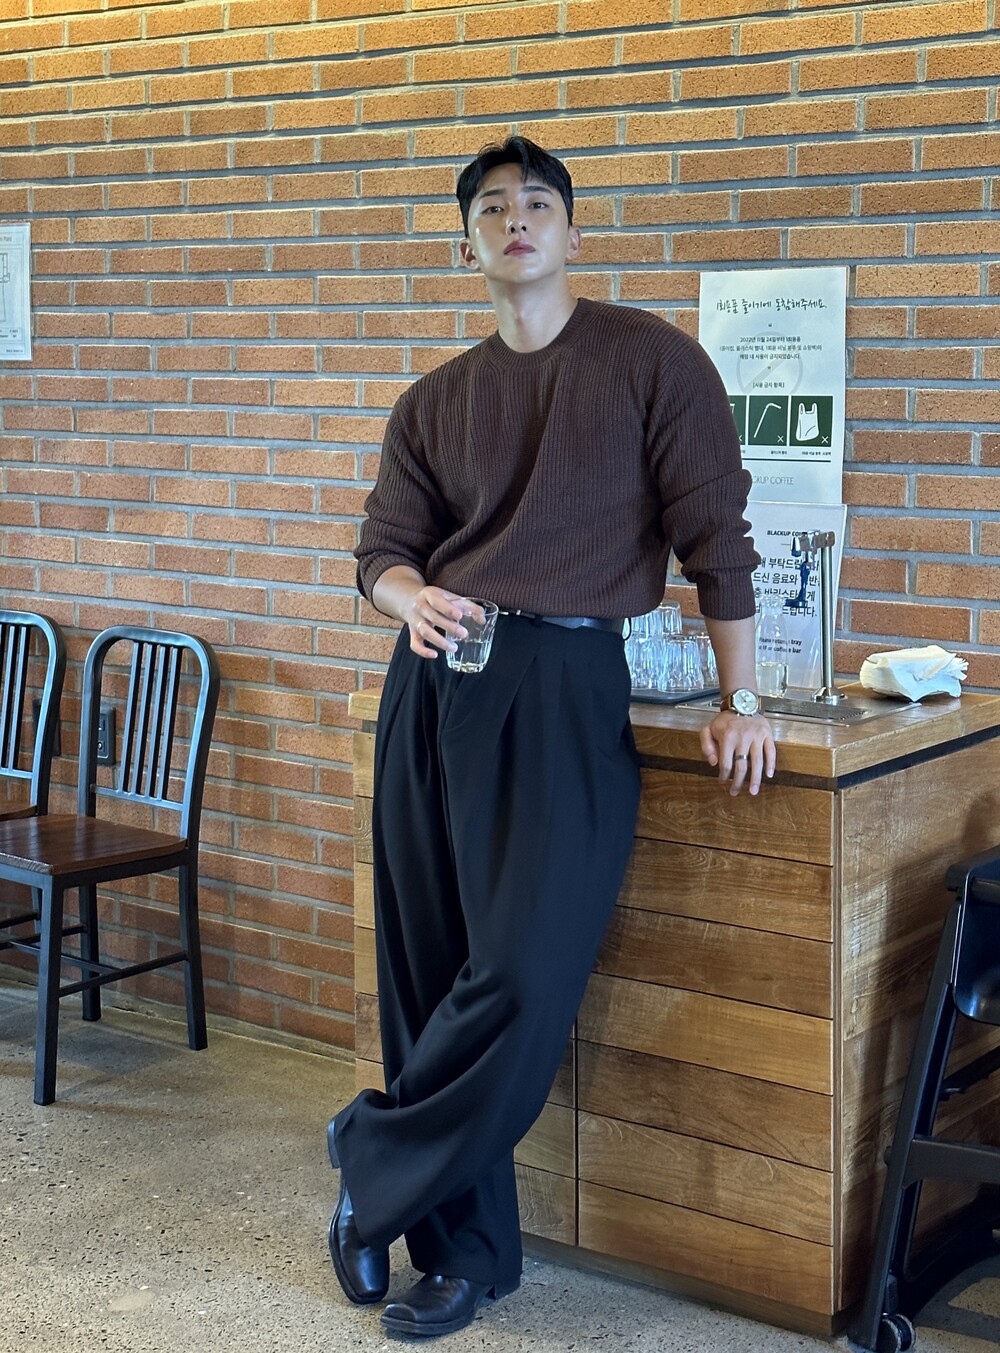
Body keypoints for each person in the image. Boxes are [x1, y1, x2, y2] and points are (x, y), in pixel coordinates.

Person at [327, 135, 776, 1340]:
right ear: (464, 243)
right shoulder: (434, 400)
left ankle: (372, 1157)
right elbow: (380, 552)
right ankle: (461, 1255)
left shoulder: (651, 362)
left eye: (536, 203)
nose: (513, 219)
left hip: (565, 679)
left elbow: (718, 543)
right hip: (434, 680)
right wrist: (407, 598)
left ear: (573, 231)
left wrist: (741, 700)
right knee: (430, 969)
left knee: (521, 977)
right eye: (490, 208)